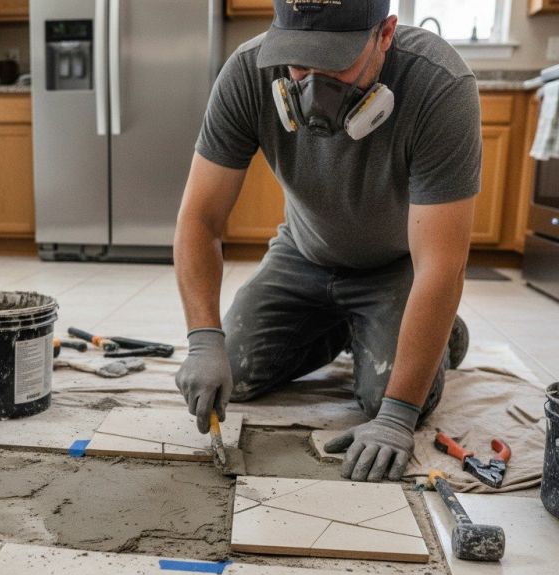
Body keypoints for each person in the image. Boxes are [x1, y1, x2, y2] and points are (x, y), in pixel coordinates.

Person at [174, 0, 481, 483]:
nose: (314, 87)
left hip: (397, 267)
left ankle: (440, 332)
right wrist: (202, 341)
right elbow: (199, 219)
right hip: (304, 255)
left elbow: (442, 266)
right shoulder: (247, 73)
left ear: (384, 35)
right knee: (234, 369)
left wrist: (398, 416)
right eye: (299, 62)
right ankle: (354, 327)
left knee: (385, 401)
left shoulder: (439, 85)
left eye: (336, 63)